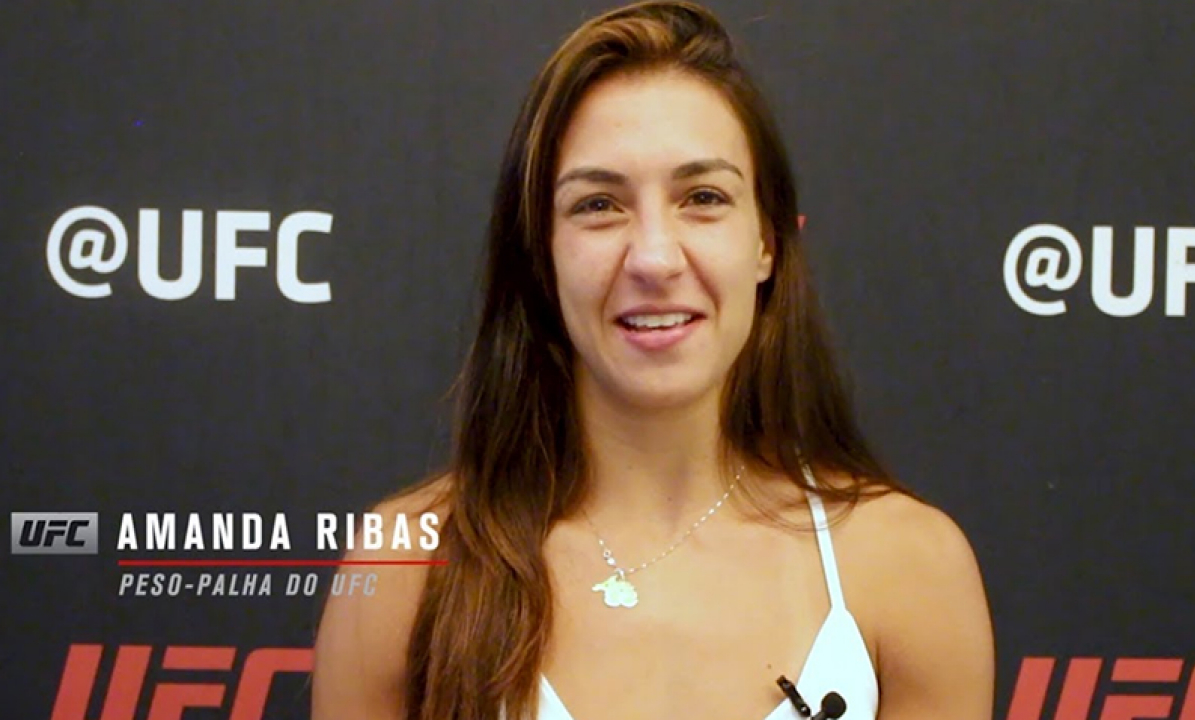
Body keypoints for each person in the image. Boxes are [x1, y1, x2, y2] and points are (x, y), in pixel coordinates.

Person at [312, 2, 994, 719]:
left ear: (766, 242)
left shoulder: (907, 566)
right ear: (542, 252)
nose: (655, 259)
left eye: (703, 197)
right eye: (598, 205)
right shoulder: (406, 571)